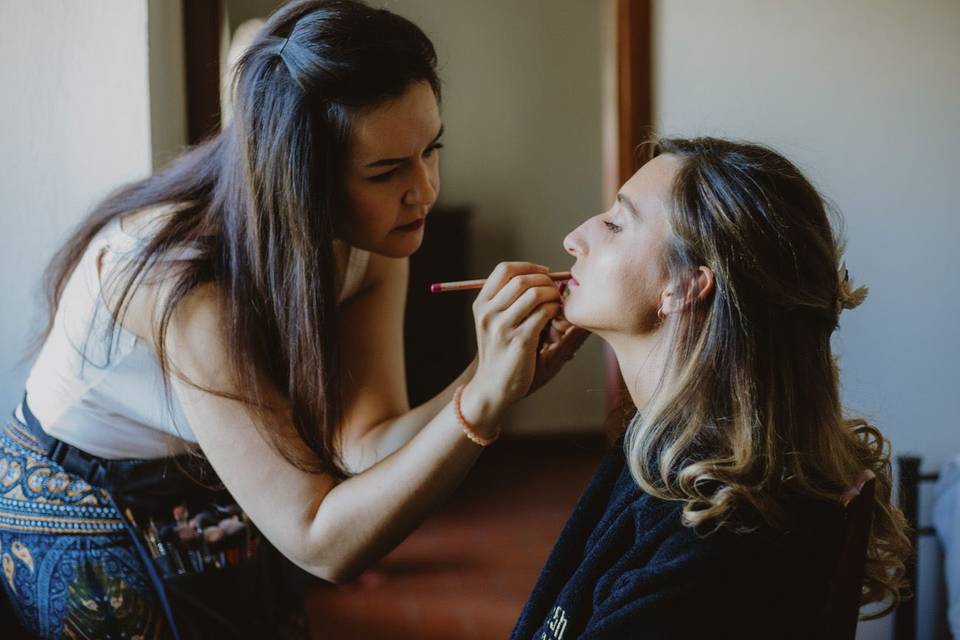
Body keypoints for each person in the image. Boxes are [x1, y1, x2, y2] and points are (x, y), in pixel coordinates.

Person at [0, 1, 585, 637]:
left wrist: (493, 379)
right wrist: (481, 399)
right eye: (386, 171)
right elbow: (321, 542)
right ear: (300, 180)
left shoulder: (373, 238)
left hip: (199, 479)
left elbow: (363, 445)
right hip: (85, 494)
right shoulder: (189, 288)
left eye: (430, 149)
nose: (424, 189)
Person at [511, 137, 910, 639]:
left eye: (615, 224)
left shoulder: (716, 537)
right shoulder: (667, 452)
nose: (574, 238)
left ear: (685, 286)